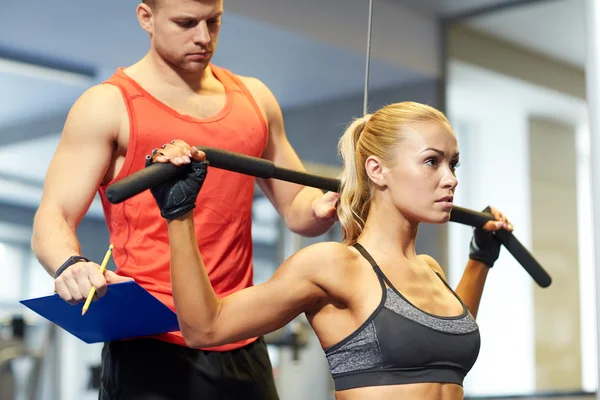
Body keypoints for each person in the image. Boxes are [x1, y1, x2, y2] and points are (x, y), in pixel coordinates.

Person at [31, 0, 339, 399]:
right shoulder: (107, 105)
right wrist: (69, 263)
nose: (203, 37)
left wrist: (322, 209)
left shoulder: (255, 99)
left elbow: (300, 209)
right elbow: (52, 216)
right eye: (186, 23)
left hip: (240, 332)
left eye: (214, 21)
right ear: (146, 18)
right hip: (150, 341)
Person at [146, 101, 514, 400]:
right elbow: (204, 329)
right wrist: (179, 214)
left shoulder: (430, 269)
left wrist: (480, 259)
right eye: (432, 161)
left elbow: (445, 345)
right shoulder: (334, 266)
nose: (450, 178)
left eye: (453, 163)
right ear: (377, 170)